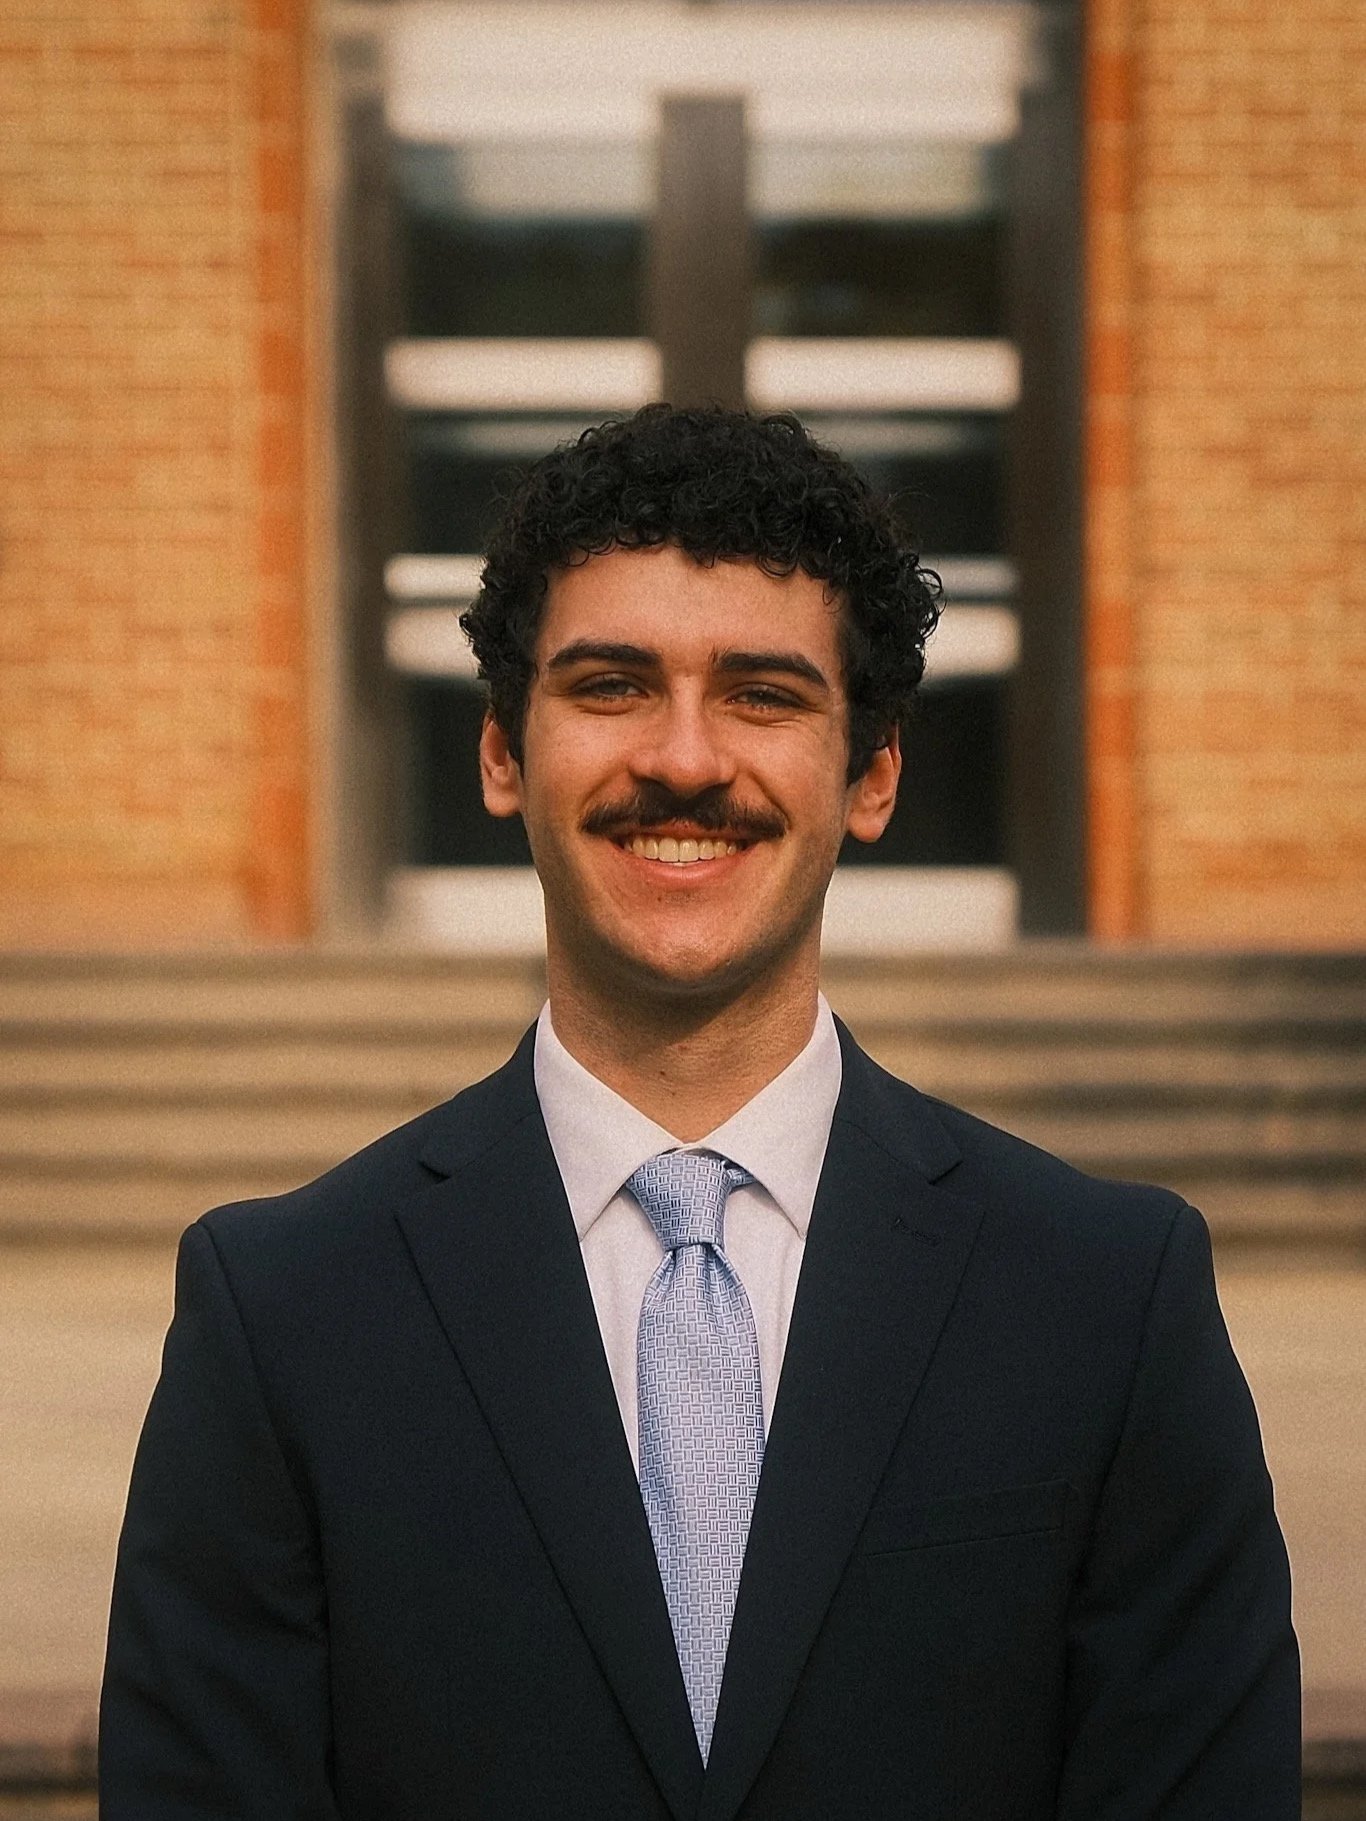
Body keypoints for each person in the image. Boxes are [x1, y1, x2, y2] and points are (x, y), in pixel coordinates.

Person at [101, 406, 1299, 1819]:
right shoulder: (280, 1310)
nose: (682, 758)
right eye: (611, 684)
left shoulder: (1107, 1294)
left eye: (763, 694)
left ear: (870, 776)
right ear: (501, 754)